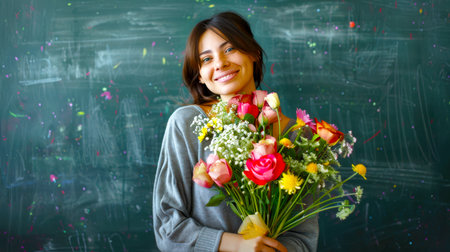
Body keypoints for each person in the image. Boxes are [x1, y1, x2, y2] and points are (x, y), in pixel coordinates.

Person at [153, 12, 318, 252]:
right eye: (206, 59)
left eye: (229, 49)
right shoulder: (187, 123)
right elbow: (168, 227)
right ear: (200, 74)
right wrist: (237, 245)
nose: (220, 63)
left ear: (254, 53)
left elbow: (304, 238)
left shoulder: (297, 136)